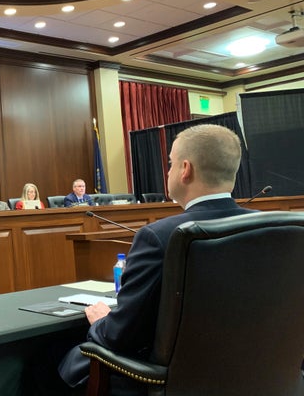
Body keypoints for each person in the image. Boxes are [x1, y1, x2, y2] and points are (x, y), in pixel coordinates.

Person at [57, 124, 255, 395]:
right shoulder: (278, 228)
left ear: (186, 169)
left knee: (45, 365)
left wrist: (103, 320)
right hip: (259, 374)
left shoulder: (159, 236)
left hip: (171, 382)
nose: (168, 171)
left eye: (171, 164)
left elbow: (119, 336)